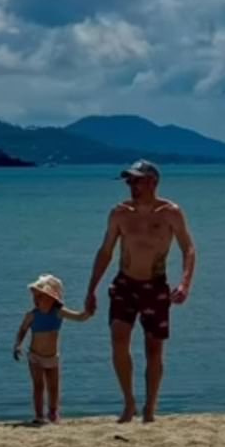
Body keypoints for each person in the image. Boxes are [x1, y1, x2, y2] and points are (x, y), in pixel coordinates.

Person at [85, 160, 196, 423]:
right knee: (118, 340)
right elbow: (105, 252)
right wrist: (91, 289)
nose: (132, 185)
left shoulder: (171, 212)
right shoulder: (120, 213)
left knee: (154, 348)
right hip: (125, 284)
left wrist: (185, 283)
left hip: (155, 285)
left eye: (137, 180)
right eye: (130, 181)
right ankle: (129, 403)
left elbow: (188, 248)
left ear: (153, 182)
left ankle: (150, 407)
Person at [14, 274, 91, 425]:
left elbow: (79, 317)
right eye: (35, 298)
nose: (37, 301)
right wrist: (17, 345)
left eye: (40, 298)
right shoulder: (32, 315)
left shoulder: (58, 312)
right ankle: (38, 415)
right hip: (35, 355)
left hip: (52, 356)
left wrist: (88, 311)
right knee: (38, 385)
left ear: (51, 299)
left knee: (53, 386)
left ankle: (53, 412)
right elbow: (22, 330)